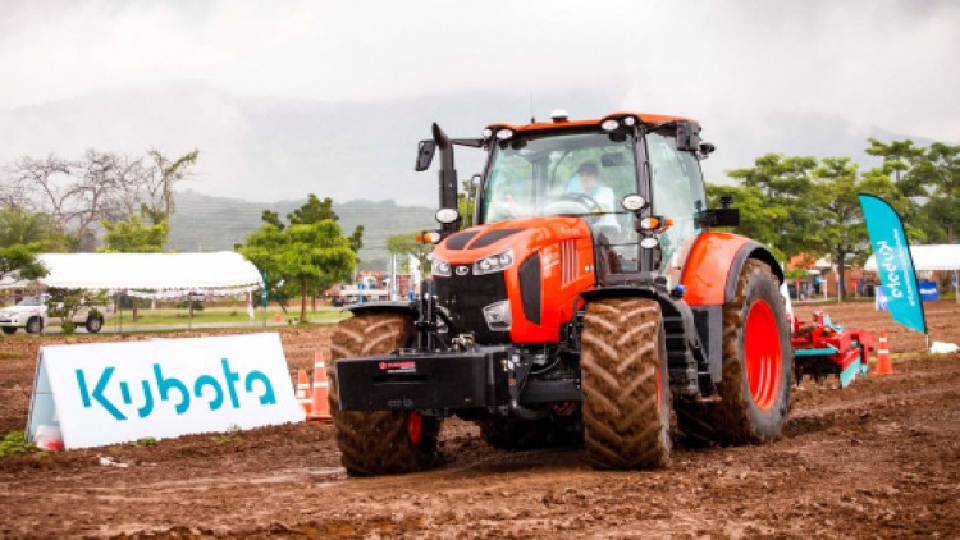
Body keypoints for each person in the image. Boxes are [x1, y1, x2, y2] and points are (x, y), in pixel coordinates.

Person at [566, 162, 619, 230]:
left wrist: (580, 219)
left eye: (588, 175)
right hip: (586, 230)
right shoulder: (578, 196)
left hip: (607, 230)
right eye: (581, 175)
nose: (584, 178)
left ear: (596, 178)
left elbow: (601, 210)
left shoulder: (606, 191)